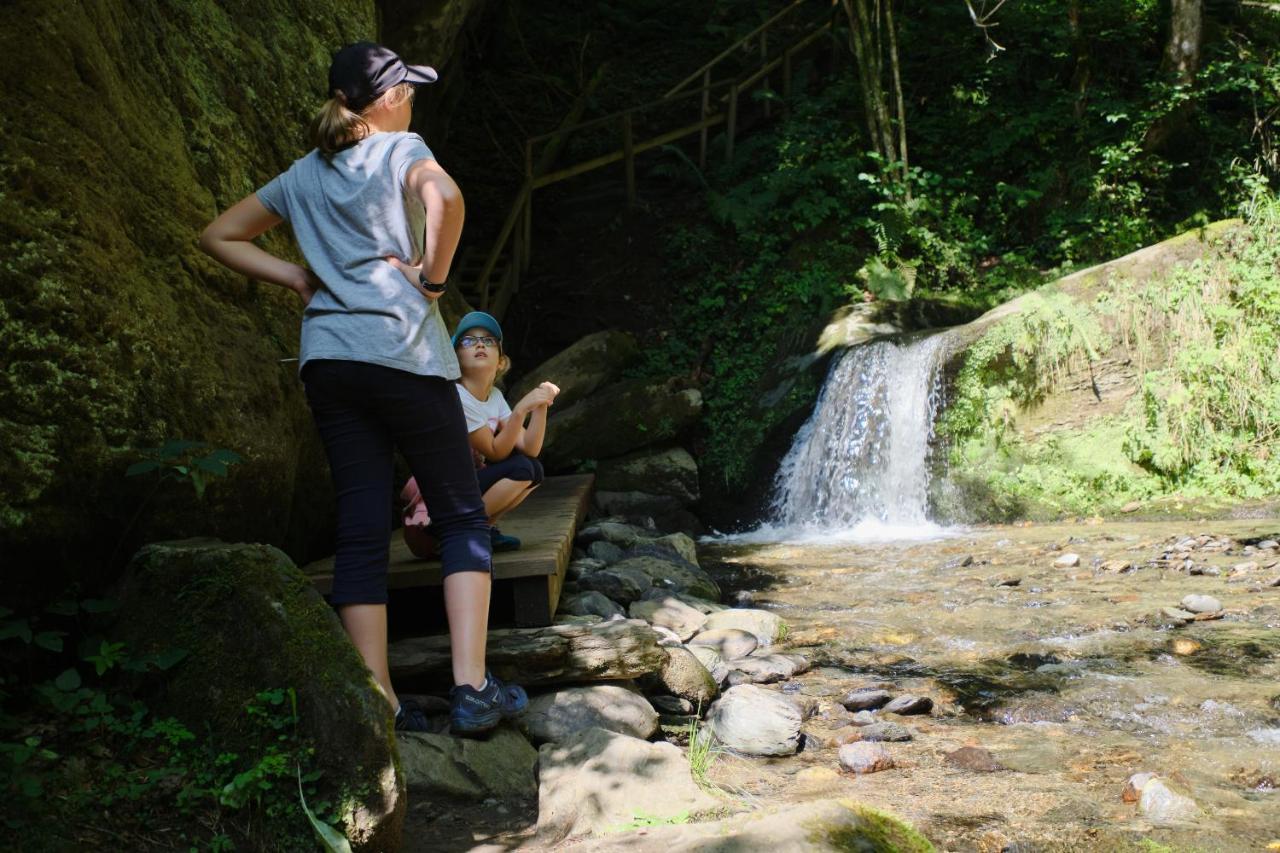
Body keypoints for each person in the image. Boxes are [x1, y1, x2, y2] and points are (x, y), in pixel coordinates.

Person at [198, 42, 526, 736]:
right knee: (462, 514)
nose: (411, 95)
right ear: (382, 101)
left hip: (330, 362)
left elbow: (220, 234)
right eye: (404, 86)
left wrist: (295, 277)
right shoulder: (401, 147)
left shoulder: (302, 175)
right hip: (403, 353)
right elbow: (447, 197)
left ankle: (381, 701)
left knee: (360, 527)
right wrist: (432, 282)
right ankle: (471, 687)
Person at [452, 311, 559, 551]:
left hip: (466, 488)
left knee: (534, 469)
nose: (480, 343)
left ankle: (484, 530)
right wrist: (521, 410)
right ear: (456, 358)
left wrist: (541, 406)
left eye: (488, 340)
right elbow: (495, 451)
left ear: (500, 361)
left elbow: (530, 447)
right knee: (521, 468)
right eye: (468, 341)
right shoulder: (456, 396)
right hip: (442, 497)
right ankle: (463, 530)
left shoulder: (495, 396)